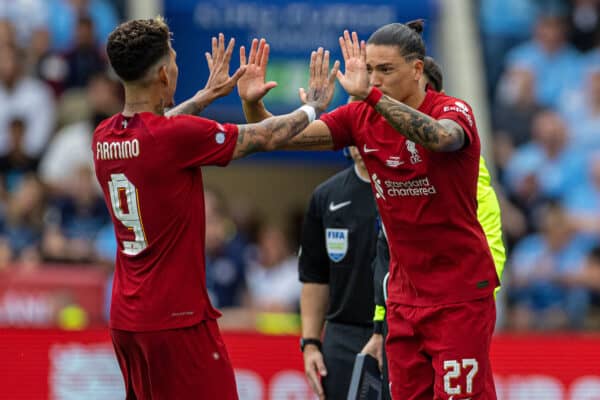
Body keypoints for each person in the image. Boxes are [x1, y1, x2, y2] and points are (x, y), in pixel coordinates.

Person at [238, 21, 500, 399]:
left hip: (458, 295)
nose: (374, 80)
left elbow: (443, 138)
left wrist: (372, 97)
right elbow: (276, 138)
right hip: (404, 298)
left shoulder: (453, 110)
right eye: (371, 69)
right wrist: (253, 104)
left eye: (386, 70)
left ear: (416, 69)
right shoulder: (360, 118)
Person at [93, 17, 339, 399]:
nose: (176, 67)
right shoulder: (173, 138)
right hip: (177, 320)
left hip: (127, 320)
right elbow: (266, 137)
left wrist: (203, 98)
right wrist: (314, 108)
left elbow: (154, 130)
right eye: (173, 60)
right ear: (163, 74)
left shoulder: (104, 137)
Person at [360, 56, 507, 400]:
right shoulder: (389, 166)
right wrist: (382, 319)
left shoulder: (465, 168)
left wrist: (473, 306)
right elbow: (388, 251)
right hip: (405, 307)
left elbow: (490, 237)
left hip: (458, 304)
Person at [298, 144, 378, 399]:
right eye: (354, 136)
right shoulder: (326, 196)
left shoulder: (408, 189)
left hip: (396, 332)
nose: (362, 144)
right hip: (343, 336)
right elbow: (314, 277)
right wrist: (310, 344)